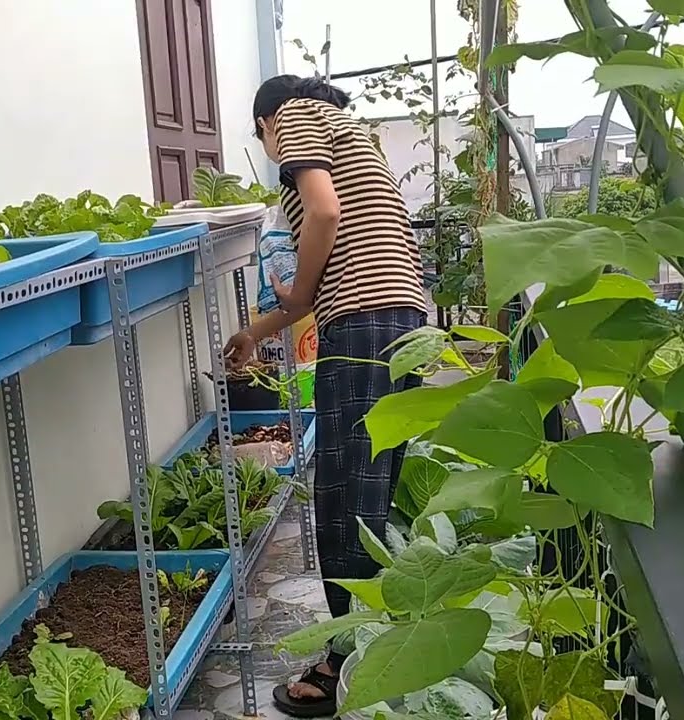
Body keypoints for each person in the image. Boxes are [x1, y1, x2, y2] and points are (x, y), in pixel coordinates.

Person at [223, 74, 429, 717]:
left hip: (365, 323)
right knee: (373, 491)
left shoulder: (294, 119)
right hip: (400, 321)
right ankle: (374, 652)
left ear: (264, 122)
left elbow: (324, 214)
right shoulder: (353, 135)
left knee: (344, 498)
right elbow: (324, 282)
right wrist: (256, 332)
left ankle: (347, 665)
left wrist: (293, 292)